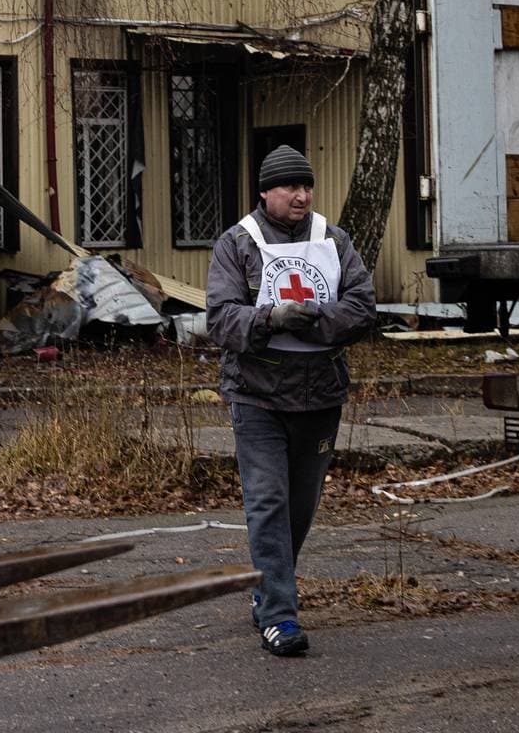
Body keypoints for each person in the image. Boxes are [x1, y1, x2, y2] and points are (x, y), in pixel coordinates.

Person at [204, 143, 377, 657]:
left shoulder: (334, 239)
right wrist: (270, 320)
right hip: (257, 395)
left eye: (306, 186)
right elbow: (220, 318)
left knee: (299, 509)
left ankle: (267, 589)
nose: (301, 195)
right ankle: (280, 616)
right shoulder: (237, 243)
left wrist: (318, 319)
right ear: (265, 191)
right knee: (268, 503)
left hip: (320, 394)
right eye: (289, 187)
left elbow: (363, 306)